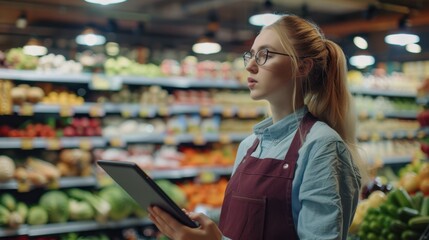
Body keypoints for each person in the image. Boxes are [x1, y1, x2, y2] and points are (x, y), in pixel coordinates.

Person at [148, 14, 366, 240]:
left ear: (302, 67)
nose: (250, 66)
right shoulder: (248, 146)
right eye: (251, 55)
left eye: (265, 55)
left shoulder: (322, 146)